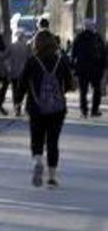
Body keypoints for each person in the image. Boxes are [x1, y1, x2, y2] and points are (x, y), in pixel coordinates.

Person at [18, 28, 74, 187]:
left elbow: (22, 83)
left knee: (37, 137)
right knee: (53, 141)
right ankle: (52, 176)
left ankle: (37, 161)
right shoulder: (61, 61)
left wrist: (18, 100)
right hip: (57, 109)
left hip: (36, 107)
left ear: (36, 44)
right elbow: (69, 84)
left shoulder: (32, 61)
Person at [70, 19, 106, 118]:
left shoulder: (79, 37)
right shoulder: (97, 37)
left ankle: (84, 110)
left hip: (82, 69)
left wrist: (72, 66)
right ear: (92, 27)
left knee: (83, 91)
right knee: (96, 90)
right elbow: (103, 53)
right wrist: (103, 66)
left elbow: (73, 53)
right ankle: (94, 110)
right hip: (95, 69)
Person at [7, 27, 32, 117]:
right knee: (23, 91)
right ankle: (23, 108)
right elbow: (30, 58)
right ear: (23, 37)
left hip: (13, 72)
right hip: (24, 73)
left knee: (15, 91)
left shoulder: (12, 46)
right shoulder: (27, 47)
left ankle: (16, 108)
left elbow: (5, 56)